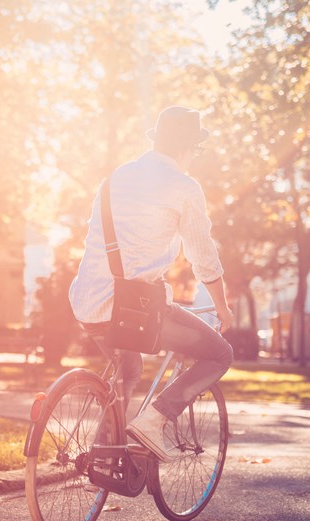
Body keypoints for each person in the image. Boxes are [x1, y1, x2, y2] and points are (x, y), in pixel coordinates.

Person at [68, 105, 235, 462]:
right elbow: (202, 255)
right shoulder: (184, 187)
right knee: (220, 354)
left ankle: (104, 455)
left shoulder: (113, 180)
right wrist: (222, 305)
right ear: (187, 148)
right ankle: (155, 419)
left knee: (128, 370)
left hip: (89, 301)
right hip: (136, 311)